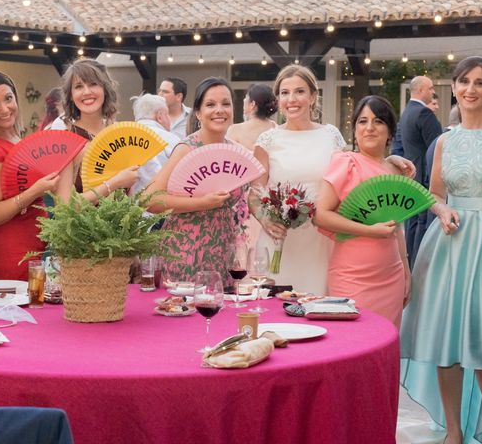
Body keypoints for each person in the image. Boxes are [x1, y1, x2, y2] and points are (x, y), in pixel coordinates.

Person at [249, 64, 414, 296]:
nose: (292, 99)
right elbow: (254, 193)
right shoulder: (267, 140)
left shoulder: (330, 135)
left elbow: (355, 167)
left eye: (299, 91)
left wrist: (391, 160)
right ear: (277, 99)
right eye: (284, 93)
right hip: (280, 242)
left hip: (322, 239)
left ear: (313, 96)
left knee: (319, 306)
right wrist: (266, 220)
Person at [400, 56, 482, 444]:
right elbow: (435, 193)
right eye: (463, 81)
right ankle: (453, 432)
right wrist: (439, 209)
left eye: (479, 83)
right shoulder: (444, 140)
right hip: (449, 242)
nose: (470, 89)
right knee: (446, 342)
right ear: (453, 87)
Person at [314, 95, 410, 327]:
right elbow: (320, 215)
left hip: (392, 275)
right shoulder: (345, 163)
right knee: (353, 344)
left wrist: (407, 272)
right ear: (355, 129)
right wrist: (369, 230)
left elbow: (398, 228)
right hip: (352, 276)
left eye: (378, 121)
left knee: (386, 348)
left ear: (390, 131)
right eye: (362, 121)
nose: (369, 128)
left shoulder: (396, 170)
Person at [0, 69, 74, 280]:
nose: (4, 109)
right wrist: (36, 191)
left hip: (35, 249)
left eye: (8, 99)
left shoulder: (20, 143)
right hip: (9, 253)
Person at [145, 77, 240, 281]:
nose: (219, 110)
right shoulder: (186, 149)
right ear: (197, 112)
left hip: (224, 254)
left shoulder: (235, 151)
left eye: (226, 103)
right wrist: (202, 203)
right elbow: (150, 200)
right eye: (210, 104)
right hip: (186, 253)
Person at [58, 58, 138, 195]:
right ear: (70, 95)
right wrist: (114, 183)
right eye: (78, 86)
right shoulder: (65, 143)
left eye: (93, 84)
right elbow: (65, 205)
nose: (86, 92)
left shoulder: (120, 134)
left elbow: (129, 196)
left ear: (105, 89)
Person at [394, 76, 443, 268]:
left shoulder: (406, 113)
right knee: (422, 226)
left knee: (413, 224)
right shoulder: (424, 114)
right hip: (426, 178)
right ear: (421, 90)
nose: (433, 93)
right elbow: (437, 148)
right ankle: (421, 266)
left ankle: (412, 264)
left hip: (411, 177)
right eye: (431, 89)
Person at [227, 83, 278, 248]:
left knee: (241, 245)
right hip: (267, 196)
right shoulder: (276, 131)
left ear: (253, 104)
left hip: (239, 197)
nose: (243, 101)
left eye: (245, 98)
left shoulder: (234, 130)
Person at [129, 93, 180, 195]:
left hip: (128, 207)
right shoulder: (170, 139)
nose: (169, 120)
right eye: (167, 114)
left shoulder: (124, 137)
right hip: (163, 204)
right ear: (160, 116)